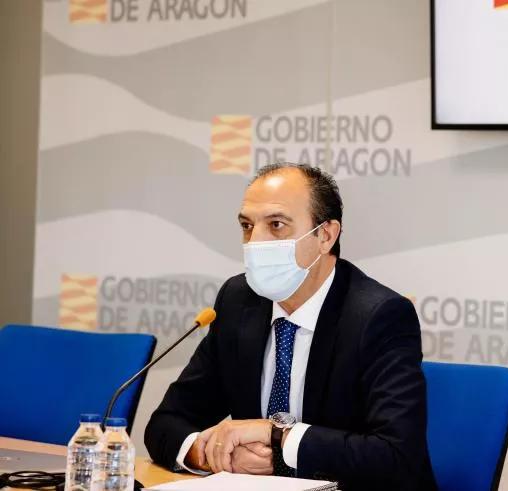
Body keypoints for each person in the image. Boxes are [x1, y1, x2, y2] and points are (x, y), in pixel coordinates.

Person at [145, 163, 438, 491]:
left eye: (276, 225)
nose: (255, 241)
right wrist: (209, 453)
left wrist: (279, 440)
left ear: (325, 235)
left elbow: (395, 457)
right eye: (246, 226)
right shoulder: (238, 301)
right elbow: (165, 424)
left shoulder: (378, 316)